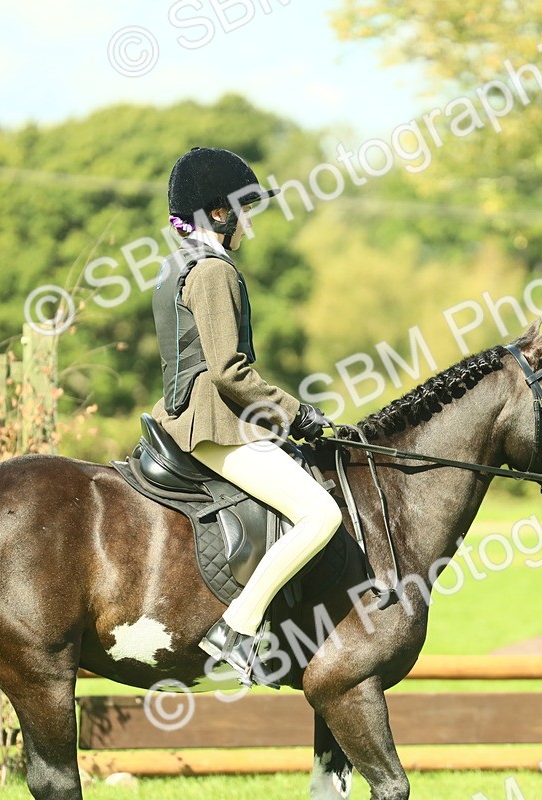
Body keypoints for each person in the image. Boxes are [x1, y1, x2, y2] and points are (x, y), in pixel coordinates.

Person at [150, 147, 341, 683]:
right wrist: (297, 414)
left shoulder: (178, 265)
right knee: (322, 515)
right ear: (218, 213)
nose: (250, 221)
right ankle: (236, 628)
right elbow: (229, 372)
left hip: (201, 421)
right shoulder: (212, 271)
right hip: (215, 428)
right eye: (245, 208)